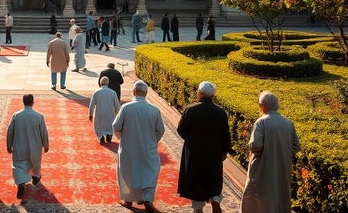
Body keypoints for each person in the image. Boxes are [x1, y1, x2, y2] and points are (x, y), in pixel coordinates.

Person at [240, 91, 300, 213]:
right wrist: (281, 150)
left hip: (263, 167)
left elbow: (255, 146)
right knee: (280, 195)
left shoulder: (261, 122)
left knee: (259, 199)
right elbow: (296, 146)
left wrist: (267, 151)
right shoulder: (288, 123)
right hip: (282, 167)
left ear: (262, 105)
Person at [177, 81, 232, 213]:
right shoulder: (220, 112)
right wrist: (224, 151)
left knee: (196, 180)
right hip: (214, 152)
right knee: (213, 177)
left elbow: (181, 130)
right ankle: (215, 200)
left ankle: (198, 209)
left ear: (200, 93)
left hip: (195, 152)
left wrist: (192, 140)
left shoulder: (190, 110)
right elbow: (226, 135)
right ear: (212, 95)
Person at [112, 80, 165, 213]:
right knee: (149, 173)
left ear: (134, 92)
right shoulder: (154, 110)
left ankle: (127, 200)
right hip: (148, 148)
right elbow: (160, 130)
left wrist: (122, 138)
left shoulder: (126, 108)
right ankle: (147, 198)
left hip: (129, 148)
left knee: (128, 172)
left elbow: (116, 126)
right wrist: (153, 141)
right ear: (146, 93)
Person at [6, 94, 49, 200]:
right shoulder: (39, 116)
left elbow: (10, 132)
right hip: (35, 146)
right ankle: (35, 177)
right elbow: (44, 132)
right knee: (35, 163)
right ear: (33, 102)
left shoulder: (16, 115)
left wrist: (8, 145)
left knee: (18, 165)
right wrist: (46, 144)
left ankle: (21, 183)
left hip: (19, 146)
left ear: (23, 102)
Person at [89, 76, 121, 144]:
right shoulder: (113, 92)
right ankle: (109, 135)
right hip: (110, 114)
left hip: (99, 114)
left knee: (98, 127)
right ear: (108, 83)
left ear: (100, 83)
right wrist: (117, 114)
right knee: (109, 127)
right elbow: (117, 106)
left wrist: (90, 114)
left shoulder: (96, 92)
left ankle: (101, 136)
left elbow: (91, 105)